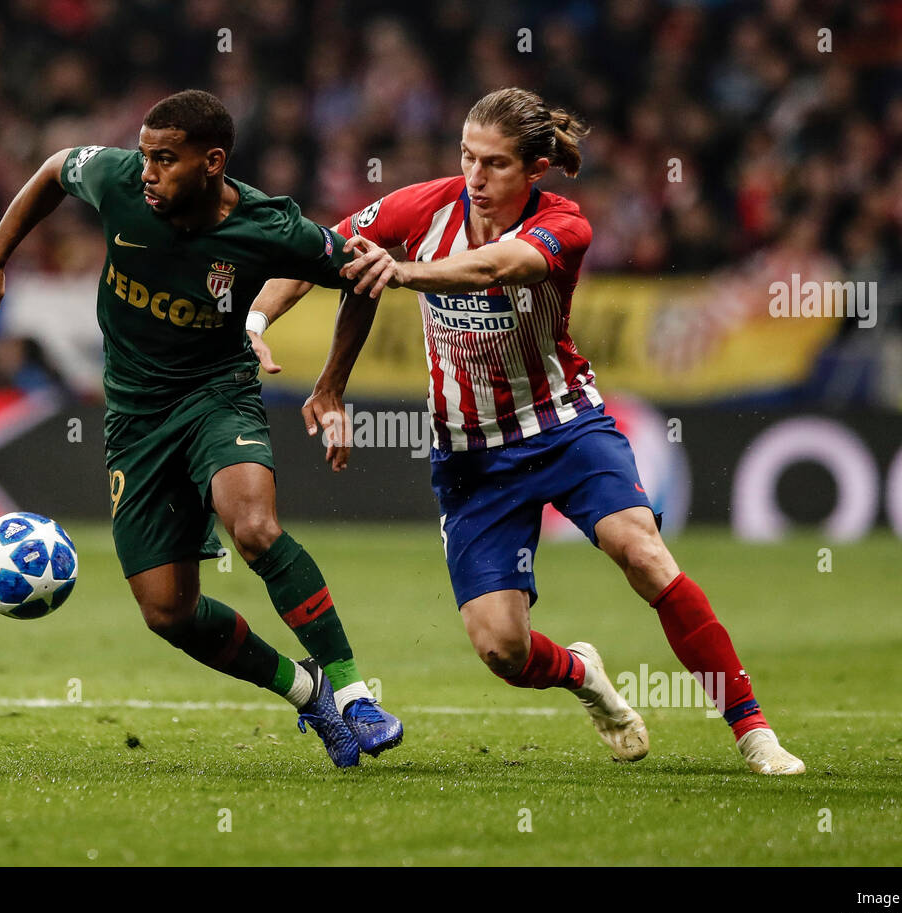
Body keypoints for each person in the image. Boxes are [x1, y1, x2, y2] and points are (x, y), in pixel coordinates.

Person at [249, 88, 803, 775]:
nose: (476, 178)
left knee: (643, 552)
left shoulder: (565, 225)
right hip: (469, 455)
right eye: (467, 158)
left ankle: (754, 733)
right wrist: (259, 326)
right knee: (502, 651)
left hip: (565, 427)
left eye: (496, 164)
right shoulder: (425, 207)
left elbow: (494, 267)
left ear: (534, 168)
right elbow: (320, 251)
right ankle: (583, 676)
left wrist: (403, 271)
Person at [0, 89, 402, 768]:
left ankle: (356, 693)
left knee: (253, 526)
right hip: (134, 417)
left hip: (219, 395)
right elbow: (52, 170)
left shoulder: (270, 228)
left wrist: (330, 384)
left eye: (166, 159)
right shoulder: (119, 181)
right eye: (145, 154)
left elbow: (363, 274)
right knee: (168, 612)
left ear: (213, 162)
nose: (148, 172)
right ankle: (309, 694)